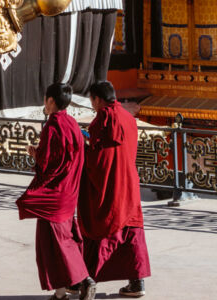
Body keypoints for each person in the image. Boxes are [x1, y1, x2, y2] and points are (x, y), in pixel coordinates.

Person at [16, 83, 96, 300]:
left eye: (46, 98)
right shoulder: (71, 123)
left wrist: (36, 157)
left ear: (51, 101)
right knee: (65, 241)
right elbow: (70, 156)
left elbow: (50, 165)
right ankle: (62, 292)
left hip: (54, 196)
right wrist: (41, 154)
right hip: (70, 192)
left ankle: (82, 281)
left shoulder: (52, 127)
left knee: (53, 245)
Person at [78, 80, 151, 297]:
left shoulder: (105, 118)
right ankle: (137, 283)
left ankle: (87, 280)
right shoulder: (128, 118)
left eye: (92, 100)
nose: (92, 105)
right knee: (131, 231)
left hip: (109, 185)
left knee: (100, 226)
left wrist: (83, 147)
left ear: (97, 99)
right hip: (129, 183)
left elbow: (99, 158)